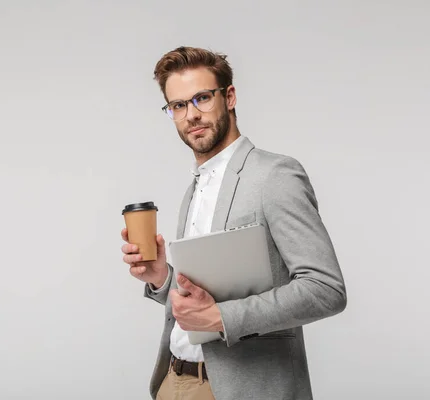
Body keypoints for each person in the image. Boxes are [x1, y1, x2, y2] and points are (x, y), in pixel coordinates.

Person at [120, 46, 347, 400]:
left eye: (201, 98)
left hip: (246, 389)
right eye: (178, 105)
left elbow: (326, 289)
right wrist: (162, 278)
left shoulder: (274, 175)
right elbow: (200, 299)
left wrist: (222, 318)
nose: (191, 115)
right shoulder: (194, 187)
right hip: (174, 380)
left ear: (229, 97)